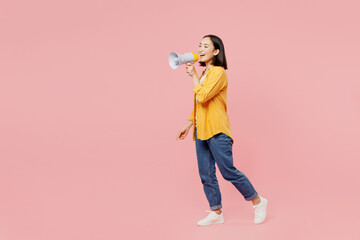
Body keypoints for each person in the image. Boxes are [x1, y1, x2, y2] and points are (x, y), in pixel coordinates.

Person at [176, 35, 268, 226]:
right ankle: (216, 212)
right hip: (201, 131)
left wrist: (193, 76)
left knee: (228, 171)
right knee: (206, 174)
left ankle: (258, 202)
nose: (200, 49)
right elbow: (199, 105)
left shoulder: (218, 73)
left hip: (217, 130)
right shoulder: (203, 75)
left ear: (216, 52)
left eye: (206, 46)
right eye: (199, 45)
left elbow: (202, 97)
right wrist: (188, 123)